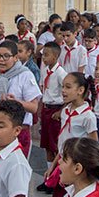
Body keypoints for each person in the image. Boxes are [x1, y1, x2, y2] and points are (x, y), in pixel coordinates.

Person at [0, 40, 41, 153]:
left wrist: (17, 101)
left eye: (6, 56)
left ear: (15, 58)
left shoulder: (25, 75)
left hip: (17, 131)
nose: (1, 60)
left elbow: (34, 107)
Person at [37, 42, 67, 173]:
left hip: (56, 109)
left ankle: (57, 176)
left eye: (46, 55)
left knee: (55, 145)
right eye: (43, 55)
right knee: (47, 144)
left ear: (55, 56)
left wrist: (61, 111)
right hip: (46, 108)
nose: (43, 58)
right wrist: (40, 107)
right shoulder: (45, 70)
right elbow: (43, 90)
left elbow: (68, 94)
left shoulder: (61, 73)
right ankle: (48, 176)